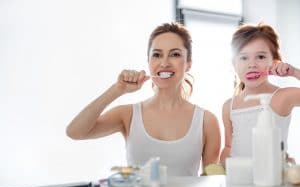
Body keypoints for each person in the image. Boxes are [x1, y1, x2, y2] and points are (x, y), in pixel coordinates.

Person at [66, 22, 221, 176]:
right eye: (157, 55)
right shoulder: (128, 115)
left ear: (188, 64)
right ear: (148, 62)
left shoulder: (206, 121)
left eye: (175, 54)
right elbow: (75, 132)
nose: (164, 63)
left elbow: (211, 181)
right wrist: (117, 90)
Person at [220, 23, 300, 164]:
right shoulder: (229, 106)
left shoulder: (282, 97)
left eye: (261, 57)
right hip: (240, 183)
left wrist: (294, 72)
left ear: (274, 62)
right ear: (234, 64)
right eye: (244, 58)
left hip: (273, 181)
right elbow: (228, 147)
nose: (252, 64)